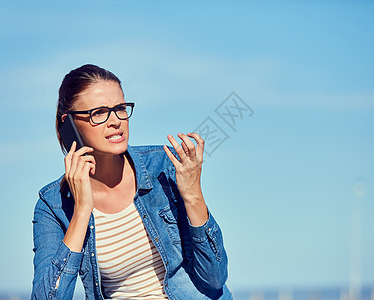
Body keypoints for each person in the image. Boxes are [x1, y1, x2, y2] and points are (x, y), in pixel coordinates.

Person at [31, 64, 232, 299]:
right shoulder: (53, 205)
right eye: (99, 113)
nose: (115, 120)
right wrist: (82, 211)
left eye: (120, 108)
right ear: (69, 124)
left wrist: (193, 195)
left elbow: (215, 278)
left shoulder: (165, 168)